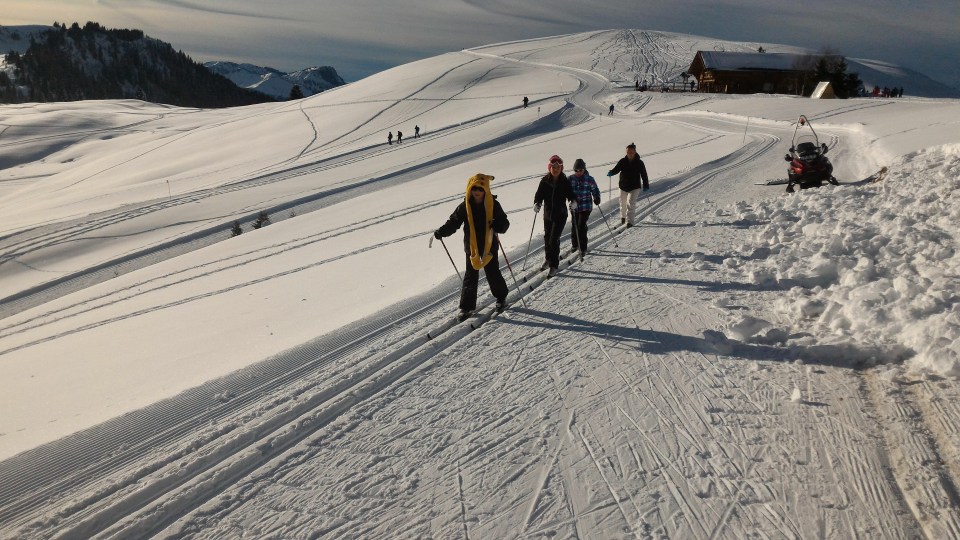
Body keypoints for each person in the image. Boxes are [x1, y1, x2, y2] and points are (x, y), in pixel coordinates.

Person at [434, 174, 510, 321]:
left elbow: (504, 223)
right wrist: (442, 231)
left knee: (492, 273)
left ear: (485, 189)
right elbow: (454, 221)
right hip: (472, 246)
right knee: (470, 276)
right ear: (469, 189)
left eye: (480, 188)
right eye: (474, 188)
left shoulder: (493, 204)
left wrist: (498, 225)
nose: (477, 191)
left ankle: (501, 297)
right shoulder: (465, 205)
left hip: (489, 245)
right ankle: (466, 307)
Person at [534, 155, 576, 277]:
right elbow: (539, 195)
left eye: (558, 167)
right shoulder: (545, 181)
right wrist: (537, 203)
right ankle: (548, 259)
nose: (556, 169)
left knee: (553, 240)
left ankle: (554, 265)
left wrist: (573, 201)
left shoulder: (564, 181)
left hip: (560, 214)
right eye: (553, 167)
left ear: (561, 168)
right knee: (547, 238)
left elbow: (571, 194)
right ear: (549, 167)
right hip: (547, 214)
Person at [607, 142, 649, 227]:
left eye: (631, 152)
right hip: (623, 186)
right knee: (622, 203)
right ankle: (623, 217)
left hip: (635, 187)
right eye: (628, 152)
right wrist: (611, 172)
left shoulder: (639, 162)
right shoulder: (623, 161)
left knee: (630, 203)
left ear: (635, 152)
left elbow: (644, 174)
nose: (629, 154)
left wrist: (646, 184)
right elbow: (617, 169)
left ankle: (630, 221)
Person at [568, 158, 601, 260]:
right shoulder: (570, 179)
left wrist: (597, 197)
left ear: (584, 169)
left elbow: (595, 189)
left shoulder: (589, 179)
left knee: (581, 225)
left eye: (581, 170)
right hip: (574, 207)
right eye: (576, 170)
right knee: (574, 225)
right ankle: (575, 244)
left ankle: (583, 247)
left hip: (586, 206)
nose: (579, 172)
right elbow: (566, 191)